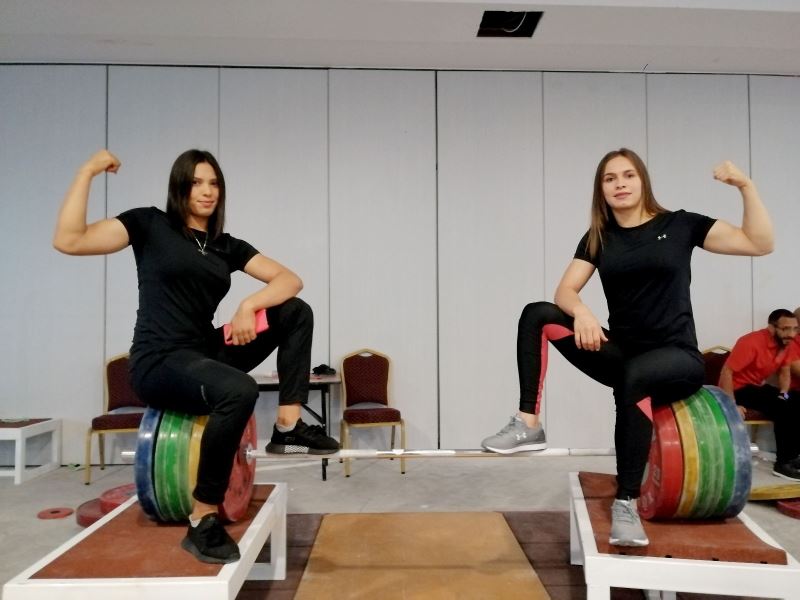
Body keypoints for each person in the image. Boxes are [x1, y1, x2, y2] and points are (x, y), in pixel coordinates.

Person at [54, 149, 339, 564]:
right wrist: (87, 172)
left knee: (295, 311)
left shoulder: (225, 245)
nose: (206, 191)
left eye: (214, 183)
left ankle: (288, 427)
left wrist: (248, 305)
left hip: (204, 351)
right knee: (239, 390)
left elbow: (290, 280)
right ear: (180, 188)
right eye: (196, 183)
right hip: (158, 360)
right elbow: (69, 240)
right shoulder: (150, 224)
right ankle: (203, 516)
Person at [480, 148, 774, 547]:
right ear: (601, 189)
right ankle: (528, 423)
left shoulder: (680, 225)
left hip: (678, 359)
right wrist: (582, 313)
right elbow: (565, 290)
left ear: (642, 182)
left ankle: (627, 502)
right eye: (610, 178)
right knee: (538, 313)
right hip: (624, 354)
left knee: (637, 377)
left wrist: (745, 186)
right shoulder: (600, 237)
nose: (620, 183)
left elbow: (759, 243)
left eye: (628, 175)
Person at [719, 309, 800, 481]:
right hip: (738, 389)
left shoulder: (786, 344)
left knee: (793, 402)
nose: (791, 334)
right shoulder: (751, 342)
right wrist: (730, 404)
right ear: (771, 328)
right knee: (783, 408)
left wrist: (784, 395)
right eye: (786, 329)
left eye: (795, 329)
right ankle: (783, 464)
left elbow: (784, 372)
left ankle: (794, 457)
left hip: (756, 388)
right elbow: (727, 372)